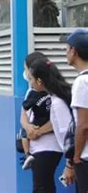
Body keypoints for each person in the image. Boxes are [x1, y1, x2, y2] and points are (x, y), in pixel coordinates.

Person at [27, 58, 73, 193]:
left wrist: (69, 165)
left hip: (68, 155)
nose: (30, 84)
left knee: (42, 187)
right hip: (68, 155)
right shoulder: (56, 98)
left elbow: (67, 134)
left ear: (40, 81)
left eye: (31, 79)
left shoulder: (58, 102)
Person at [19, 52, 52, 170]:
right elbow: (24, 116)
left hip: (46, 147)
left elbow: (59, 120)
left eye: (25, 68)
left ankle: (27, 154)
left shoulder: (56, 93)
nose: (25, 72)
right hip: (38, 145)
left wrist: (37, 131)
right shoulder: (32, 91)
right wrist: (29, 128)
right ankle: (27, 155)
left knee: (42, 185)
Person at [65, 29, 88, 192]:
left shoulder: (82, 82)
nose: (66, 53)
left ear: (74, 51)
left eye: (66, 49)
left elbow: (83, 125)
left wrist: (76, 158)